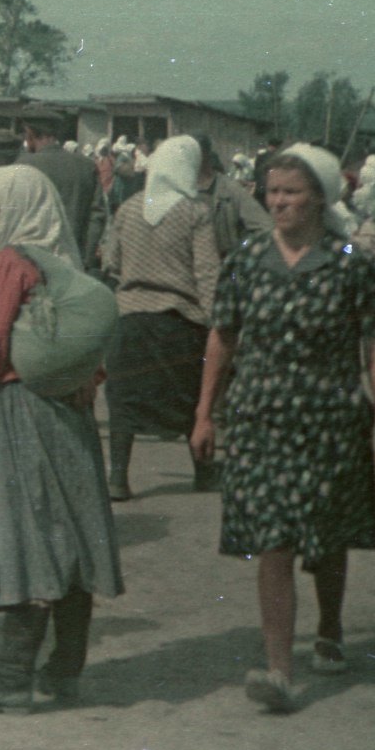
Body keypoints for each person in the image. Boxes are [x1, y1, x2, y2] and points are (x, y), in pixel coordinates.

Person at [190, 143, 375, 714]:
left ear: (321, 197)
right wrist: (204, 412)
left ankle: (330, 625)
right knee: (275, 539)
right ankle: (279, 669)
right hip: (259, 421)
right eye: (273, 191)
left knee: (327, 533)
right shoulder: (244, 259)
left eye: (292, 191)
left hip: (330, 420)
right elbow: (223, 337)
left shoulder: (353, 258)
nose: (279, 201)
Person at [0, 166, 121, 711]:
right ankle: (65, 670)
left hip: (20, 418)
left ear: (12, 212)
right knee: (70, 539)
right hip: (69, 422)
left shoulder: (9, 263)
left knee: (26, 540)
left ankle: (11, 678)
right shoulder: (63, 261)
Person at [98, 136, 223, 500]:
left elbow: (112, 263)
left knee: (124, 400)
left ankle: (118, 478)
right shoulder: (195, 211)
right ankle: (203, 471)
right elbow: (207, 272)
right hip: (180, 320)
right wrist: (218, 322)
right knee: (190, 397)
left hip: (130, 318)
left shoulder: (130, 208)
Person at [18, 105, 107, 265]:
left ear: (30, 133)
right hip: (74, 260)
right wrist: (85, 259)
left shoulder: (22, 165)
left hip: (33, 261)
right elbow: (97, 216)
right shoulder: (86, 165)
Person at [192, 133, 271, 262]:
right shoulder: (177, 191)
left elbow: (265, 227)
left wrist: (239, 254)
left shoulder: (229, 189)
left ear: (205, 154)